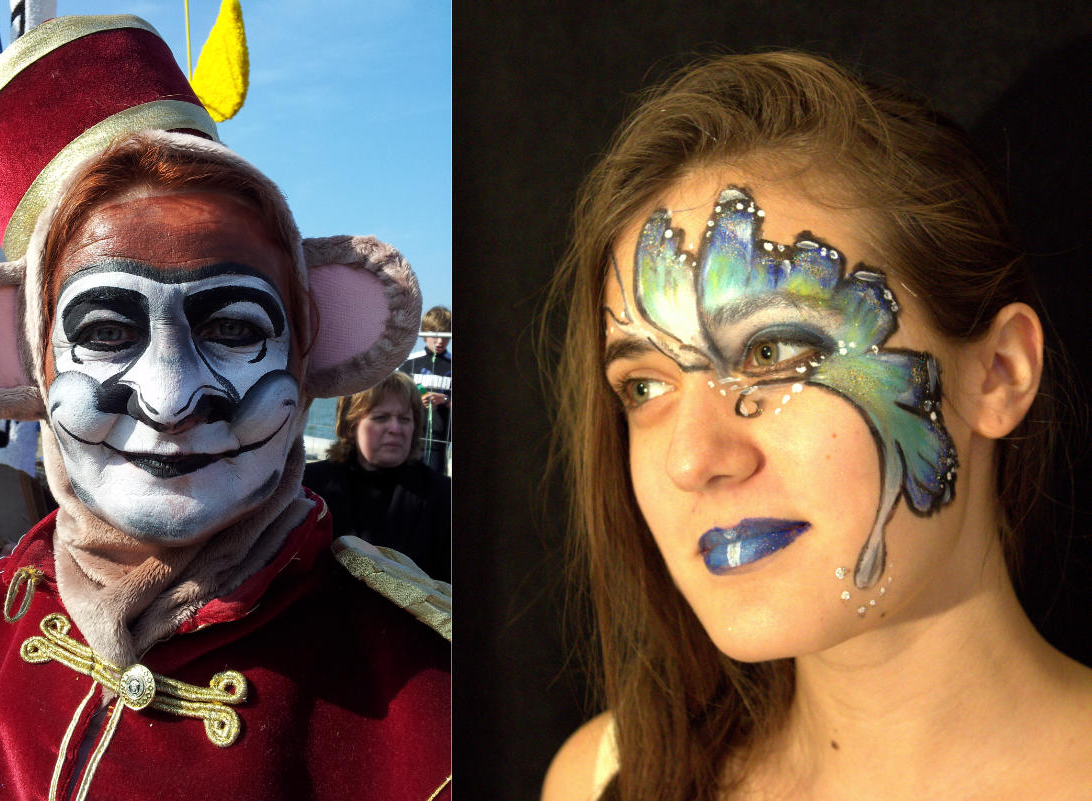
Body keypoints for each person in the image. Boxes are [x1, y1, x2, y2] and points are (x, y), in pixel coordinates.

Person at [0, 14, 448, 800]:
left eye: (233, 327)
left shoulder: (424, 696)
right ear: (22, 364)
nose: (170, 398)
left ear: (312, 346)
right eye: (104, 330)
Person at [540, 52, 1092, 800]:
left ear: (998, 374)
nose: (691, 457)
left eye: (771, 352)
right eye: (643, 384)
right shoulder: (602, 777)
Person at [303, 372, 450, 582]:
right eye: (381, 418)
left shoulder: (445, 498)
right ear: (352, 425)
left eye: (405, 419)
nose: (396, 429)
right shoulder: (309, 489)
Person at [401, 305, 450, 473]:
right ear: (424, 334)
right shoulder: (410, 362)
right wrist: (417, 398)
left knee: (435, 488)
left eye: (445, 336)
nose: (440, 341)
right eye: (434, 336)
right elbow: (398, 398)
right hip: (410, 438)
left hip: (439, 441)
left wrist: (445, 400)